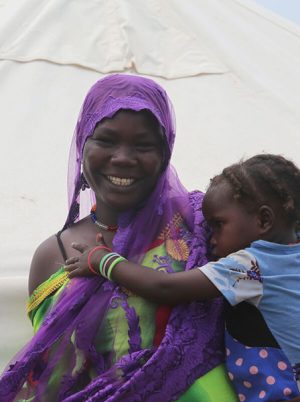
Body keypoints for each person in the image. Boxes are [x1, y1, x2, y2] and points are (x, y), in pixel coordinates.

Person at [0, 74, 237, 401]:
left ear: (165, 152)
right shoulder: (52, 256)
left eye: (144, 145)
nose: (123, 157)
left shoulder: (205, 227)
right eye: (107, 140)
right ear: (83, 145)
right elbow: (55, 377)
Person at [67, 154, 300, 401]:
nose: (210, 240)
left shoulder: (251, 266)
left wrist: (103, 260)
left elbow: (165, 287)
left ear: (264, 220)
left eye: (218, 225)